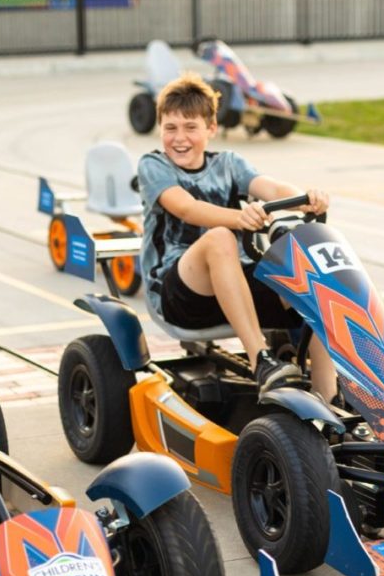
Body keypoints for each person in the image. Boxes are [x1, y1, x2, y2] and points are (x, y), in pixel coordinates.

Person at [137, 73, 337, 401]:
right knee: (220, 239)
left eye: (191, 127)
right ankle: (263, 362)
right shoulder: (153, 166)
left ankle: (328, 399)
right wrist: (240, 218)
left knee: (312, 277)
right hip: (181, 292)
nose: (179, 138)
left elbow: (272, 188)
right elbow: (186, 208)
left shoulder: (229, 164)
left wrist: (305, 196)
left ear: (211, 129)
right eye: (170, 128)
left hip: (236, 286)